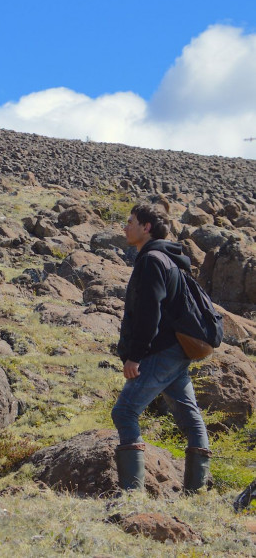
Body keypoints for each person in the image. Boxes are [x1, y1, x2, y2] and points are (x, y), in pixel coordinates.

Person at [112, 203, 211, 493]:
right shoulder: (171, 259)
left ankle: (132, 494)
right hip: (178, 352)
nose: (125, 226)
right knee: (190, 417)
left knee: (125, 411)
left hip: (162, 351)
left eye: (130, 221)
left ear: (146, 227)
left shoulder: (152, 260)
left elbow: (149, 313)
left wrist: (135, 356)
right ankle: (196, 494)